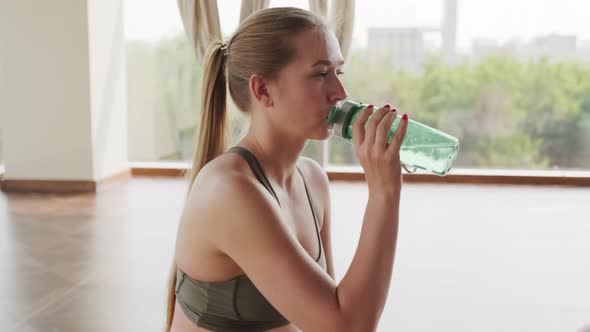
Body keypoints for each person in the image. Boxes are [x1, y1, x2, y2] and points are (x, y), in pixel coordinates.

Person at [166, 7, 408, 332]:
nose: (340, 93)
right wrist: (384, 193)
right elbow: (349, 327)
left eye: (339, 72)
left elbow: (332, 311)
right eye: (320, 74)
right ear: (263, 90)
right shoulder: (230, 190)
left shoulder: (312, 180)